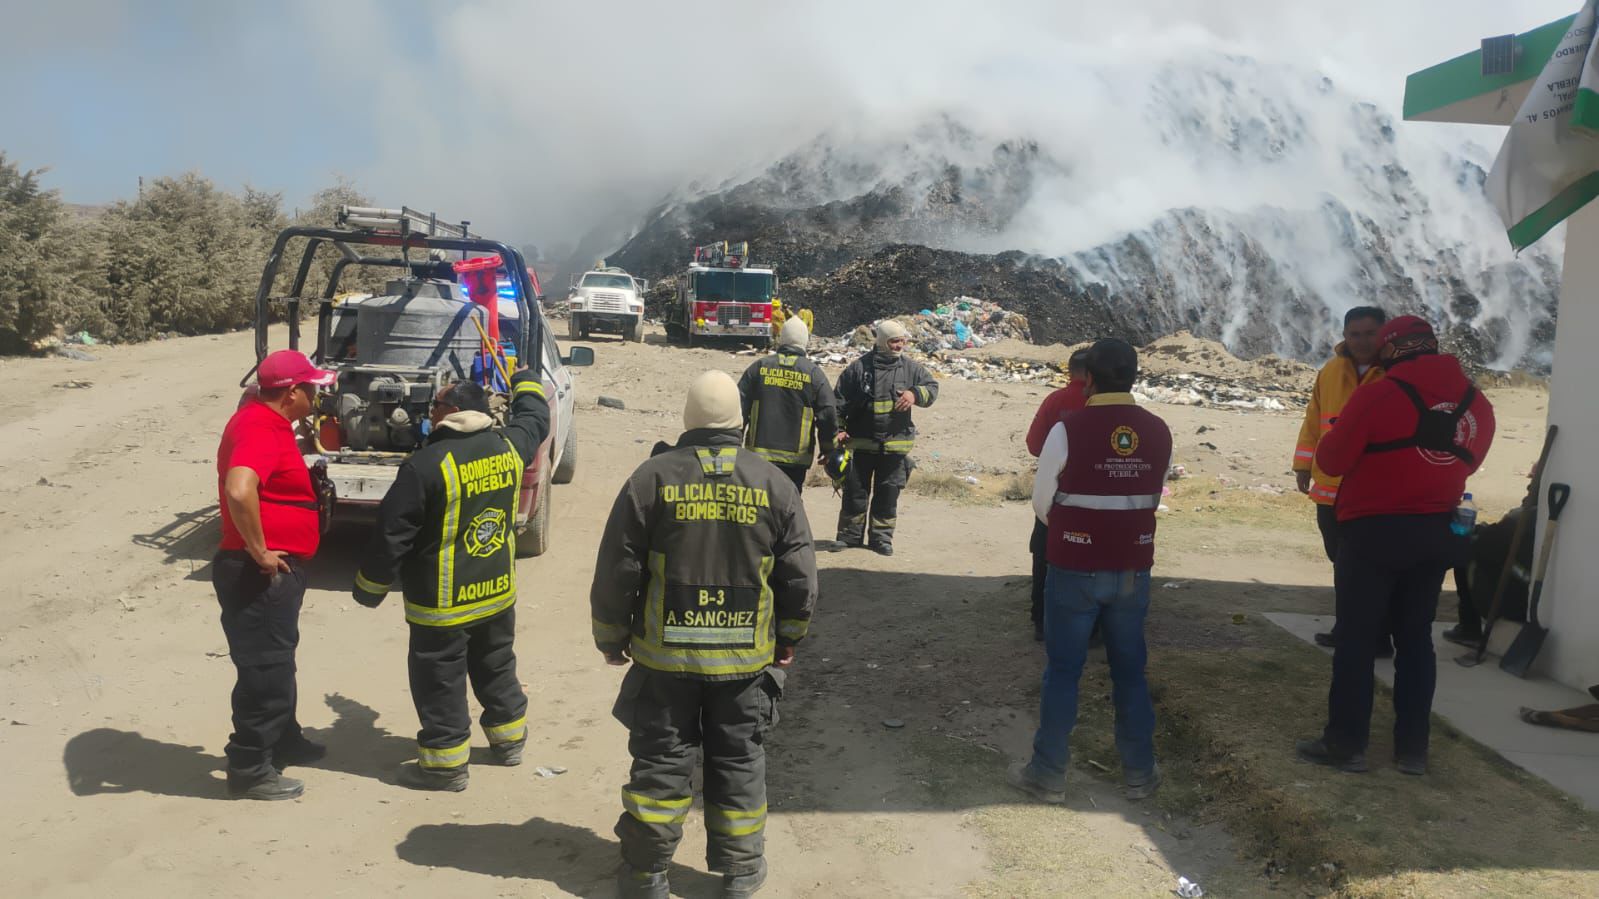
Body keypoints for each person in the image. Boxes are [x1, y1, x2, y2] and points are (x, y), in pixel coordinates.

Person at [590, 370, 818, 899]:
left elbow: (616, 570)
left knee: (661, 763)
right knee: (739, 760)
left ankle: (646, 874)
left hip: (665, 663)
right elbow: (799, 577)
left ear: (687, 420)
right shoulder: (773, 483)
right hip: (743, 665)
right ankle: (741, 873)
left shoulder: (651, 479)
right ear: (740, 423)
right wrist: (789, 637)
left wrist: (610, 636)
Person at [1296, 316, 1495, 776]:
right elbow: (1470, 460)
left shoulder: (1379, 393)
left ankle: (1346, 744)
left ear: (1391, 349)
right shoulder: (1476, 403)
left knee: (1357, 639)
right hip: (1435, 532)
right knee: (1415, 639)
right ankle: (1412, 750)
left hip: (1373, 530)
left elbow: (1332, 458)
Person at [351, 371, 551, 791]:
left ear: (453, 412)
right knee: (496, 667)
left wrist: (370, 587)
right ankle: (510, 742)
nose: (431, 411)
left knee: (439, 680)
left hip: (442, 605)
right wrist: (528, 381)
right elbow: (535, 418)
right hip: (495, 595)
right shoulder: (508, 447)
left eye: (437, 404)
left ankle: (445, 766)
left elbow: (393, 533)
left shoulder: (425, 465)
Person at [1010, 339, 1173, 804]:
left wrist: (1077, 530)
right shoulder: (1159, 430)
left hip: (1075, 566)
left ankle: (1048, 773)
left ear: (1088, 380)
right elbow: (1150, 494)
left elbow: (1042, 504)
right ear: (1135, 377)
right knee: (1130, 672)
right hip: (1132, 568)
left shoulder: (1068, 428)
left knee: (1063, 671)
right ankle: (1140, 772)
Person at [213, 349, 337, 800]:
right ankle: (250, 767)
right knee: (264, 671)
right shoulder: (261, 427)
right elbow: (239, 487)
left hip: (266, 571)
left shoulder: (264, 421)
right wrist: (260, 551)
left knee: (277, 660)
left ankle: (284, 740)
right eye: (311, 388)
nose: (316, 394)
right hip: (256, 573)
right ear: (291, 393)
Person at [1293, 307, 1391, 654]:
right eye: (1355, 334)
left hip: (1372, 491)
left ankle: (1374, 635)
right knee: (1341, 561)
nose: (1362, 342)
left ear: (1384, 334)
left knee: (1368, 566)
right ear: (1344, 335)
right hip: (1330, 488)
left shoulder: (1393, 373)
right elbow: (1312, 420)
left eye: (1370, 334)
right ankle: (1350, 627)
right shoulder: (1330, 371)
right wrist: (1302, 465)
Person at [829, 319, 939, 556]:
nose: (899, 346)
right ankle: (849, 536)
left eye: (902, 341)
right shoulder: (858, 369)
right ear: (882, 341)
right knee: (855, 492)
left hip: (894, 446)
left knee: (887, 495)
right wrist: (838, 429)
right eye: (894, 341)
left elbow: (932, 388)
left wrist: (914, 394)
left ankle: (881, 539)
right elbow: (837, 401)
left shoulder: (911, 369)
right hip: (860, 445)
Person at [1024, 349, 1091, 641]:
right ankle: (1089, 627)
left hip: (1055, 494)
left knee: (1044, 554)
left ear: (1070, 371)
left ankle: (1041, 619)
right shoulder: (1100, 405)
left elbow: (1033, 443)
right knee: (1089, 560)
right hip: (1094, 497)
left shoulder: (1055, 401)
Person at [737, 315, 838, 492]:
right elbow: (828, 414)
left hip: (758, 457)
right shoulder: (813, 374)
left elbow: (738, 408)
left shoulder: (759, 368)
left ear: (782, 339)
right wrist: (828, 449)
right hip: (795, 461)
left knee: (758, 507)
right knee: (788, 510)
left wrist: (733, 444)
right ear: (804, 341)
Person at [1442, 473, 1536, 647]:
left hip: (1515, 597)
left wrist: (1477, 534)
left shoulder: (1526, 517)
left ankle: (1469, 628)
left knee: (1466, 553)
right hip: (1525, 586)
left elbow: (1486, 544)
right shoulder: (1532, 516)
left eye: (1532, 484)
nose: (1527, 489)